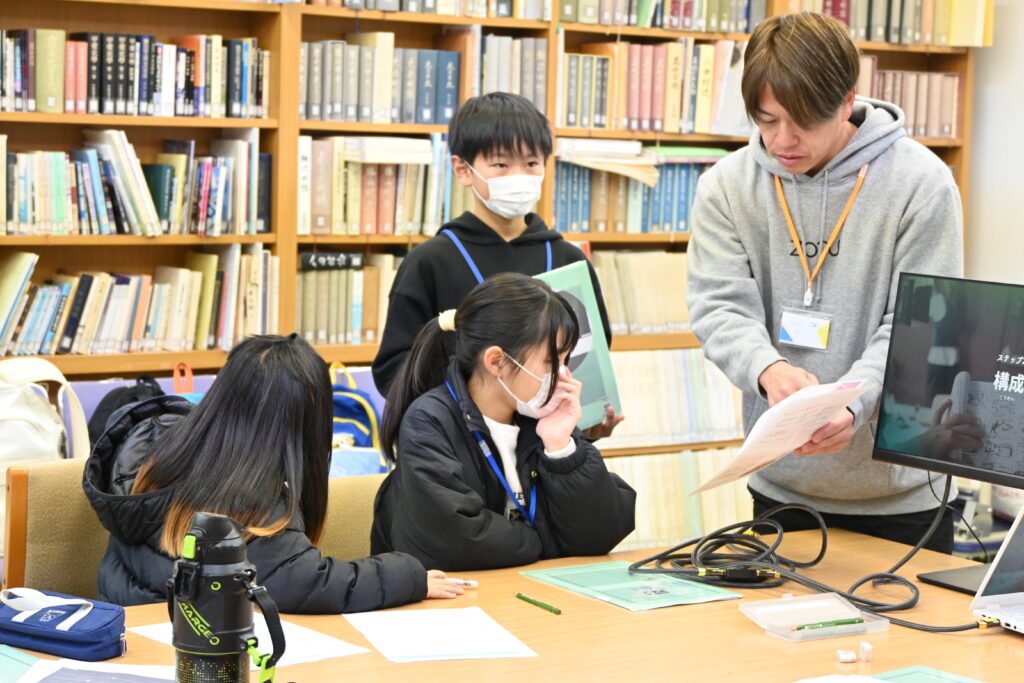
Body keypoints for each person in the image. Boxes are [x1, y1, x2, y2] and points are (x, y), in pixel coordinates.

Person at [686, 12, 964, 551]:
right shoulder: (727, 186)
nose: (783, 141)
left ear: (846, 100)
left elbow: (921, 327)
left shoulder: (922, 184)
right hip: (782, 486)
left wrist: (854, 403)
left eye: (804, 122)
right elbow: (719, 305)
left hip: (904, 496)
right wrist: (767, 369)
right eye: (767, 120)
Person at [83, 334, 464, 612]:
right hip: (193, 649)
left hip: (142, 631)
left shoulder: (165, 448)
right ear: (306, 421)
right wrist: (408, 576)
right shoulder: (246, 497)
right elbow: (304, 581)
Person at [370, 92, 622, 440]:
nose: (518, 175)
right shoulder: (430, 261)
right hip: (463, 447)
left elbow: (590, 357)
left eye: (531, 163)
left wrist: (589, 421)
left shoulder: (568, 258)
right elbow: (394, 369)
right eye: (501, 165)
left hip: (552, 447)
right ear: (463, 169)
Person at [371, 273, 636, 571]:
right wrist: (550, 540)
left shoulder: (542, 414)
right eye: (552, 362)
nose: (564, 376)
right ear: (497, 361)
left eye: (566, 360)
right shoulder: (429, 422)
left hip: (529, 586)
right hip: (459, 594)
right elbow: (457, 540)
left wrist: (562, 449)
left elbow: (600, 534)